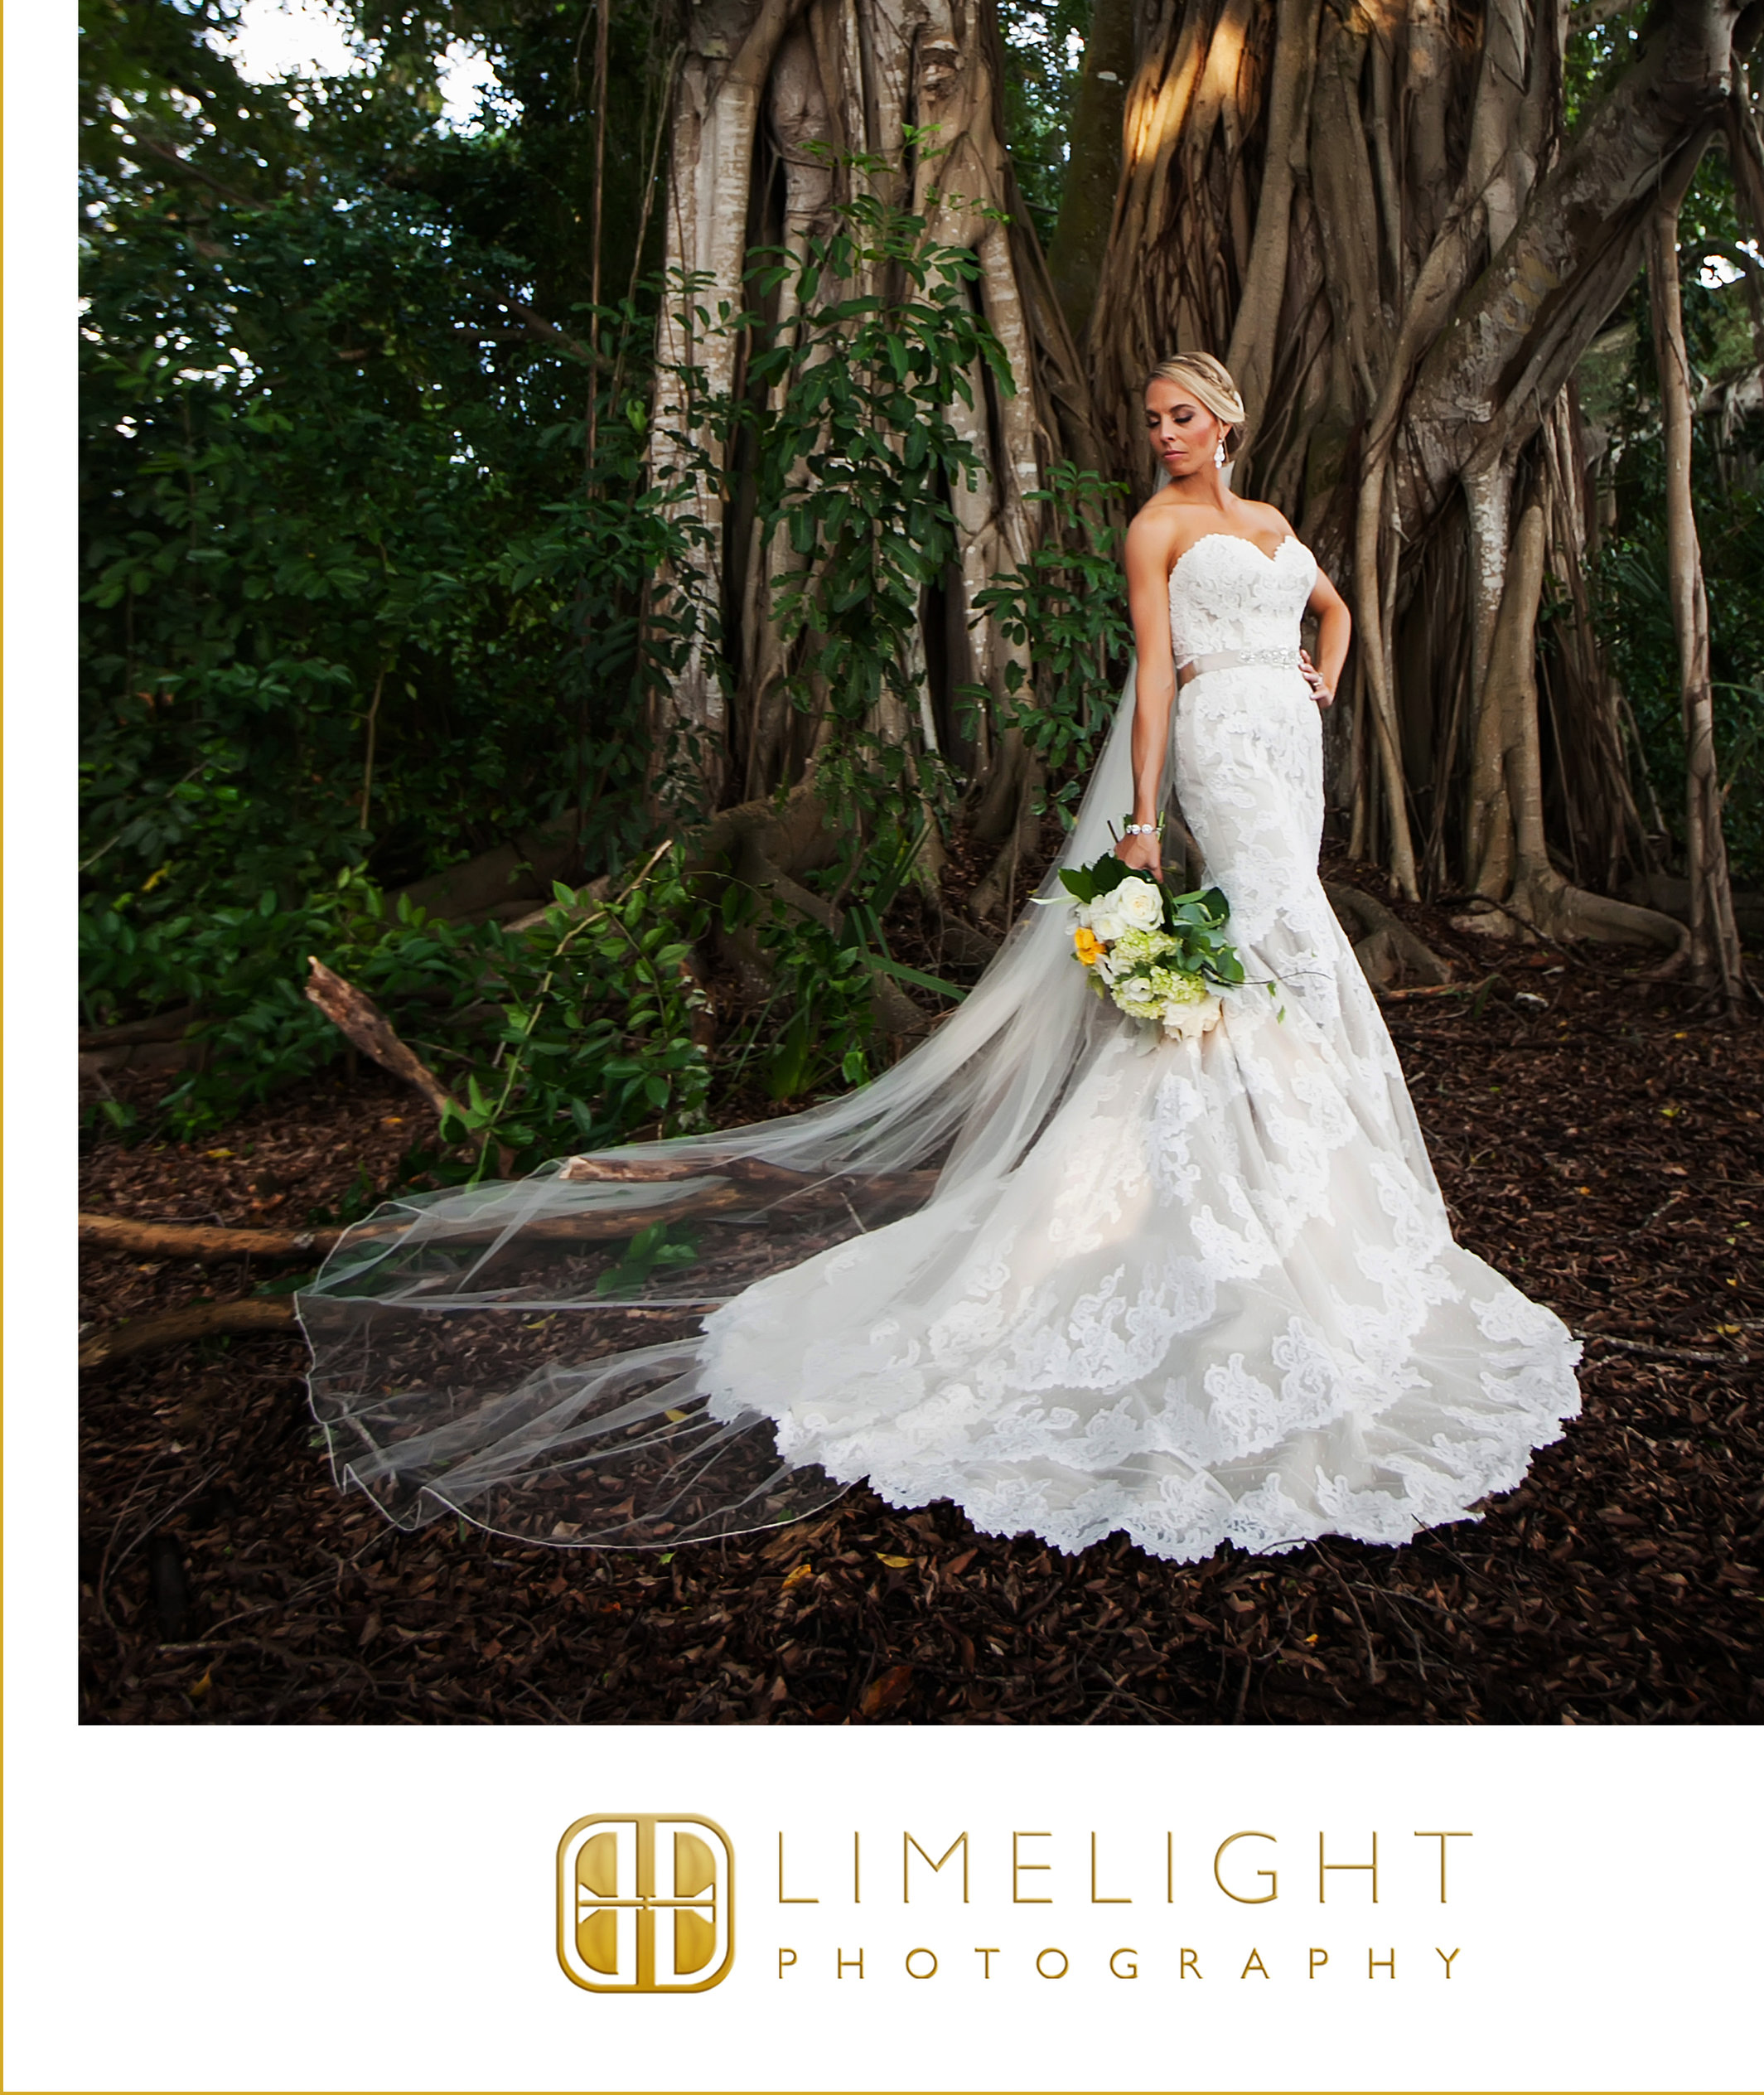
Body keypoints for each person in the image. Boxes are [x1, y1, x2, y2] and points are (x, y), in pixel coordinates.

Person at [302, 352, 1580, 1564]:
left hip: (1285, 745)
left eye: (1179, 415)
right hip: (1215, 750)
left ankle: (1305, 1179)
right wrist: (1142, 821)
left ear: (1224, 417)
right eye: (1152, 420)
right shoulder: (1153, 531)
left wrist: (1320, 682)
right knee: (1264, 933)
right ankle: (1224, 1188)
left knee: (1290, 936)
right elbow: (1150, 675)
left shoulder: (1270, 516)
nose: (1164, 433)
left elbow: (1335, 606)